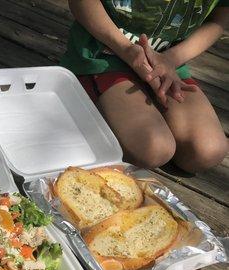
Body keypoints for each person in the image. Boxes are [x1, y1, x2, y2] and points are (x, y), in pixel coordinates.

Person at [61, 0, 228, 172]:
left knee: (207, 152)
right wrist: (127, 50)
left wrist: (172, 58)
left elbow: (219, 17)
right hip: (104, 53)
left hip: (167, 61)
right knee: (153, 149)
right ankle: (82, 94)